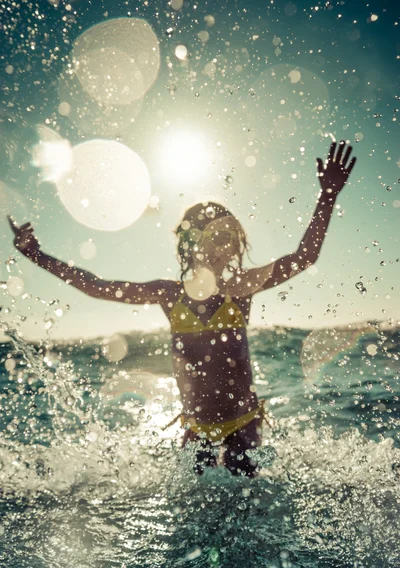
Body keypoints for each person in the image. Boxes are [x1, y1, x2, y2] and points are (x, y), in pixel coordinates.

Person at [8, 140, 356, 477]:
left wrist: (328, 196)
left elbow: (303, 258)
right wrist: (37, 255)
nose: (222, 247)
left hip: (244, 423)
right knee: (195, 516)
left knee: (245, 502)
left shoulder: (242, 289)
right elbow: (98, 287)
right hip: (196, 427)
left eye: (227, 238)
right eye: (212, 238)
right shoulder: (169, 294)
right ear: (191, 247)